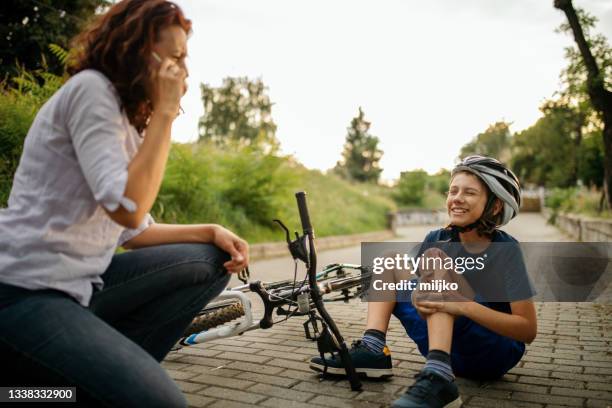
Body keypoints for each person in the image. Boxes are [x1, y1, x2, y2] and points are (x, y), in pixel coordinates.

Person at [0, 1, 248, 406]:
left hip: (81, 284)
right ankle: (32, 394)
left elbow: (135, 231)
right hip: (24, 290)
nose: (182, 71)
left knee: (209, 259)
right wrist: (166, 114)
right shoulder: (91, 91)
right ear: (137, 51)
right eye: (174, 58)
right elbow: (128, 207)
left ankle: (93, 384)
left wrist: (211, 231)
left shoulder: (125, 117)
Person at [310, 156, 537, 408]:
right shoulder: (437, 238)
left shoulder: (507, 250)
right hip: (451, 346)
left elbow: (527, 330)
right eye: (453, 191)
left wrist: (461, 305)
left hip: (492, 352)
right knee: (390, 261)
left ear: (495, 207)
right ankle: (374, 348)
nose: (457, 198)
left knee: (436, 264)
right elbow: (424, 294)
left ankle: (439, 378)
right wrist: (420, 294)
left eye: (470, 192)